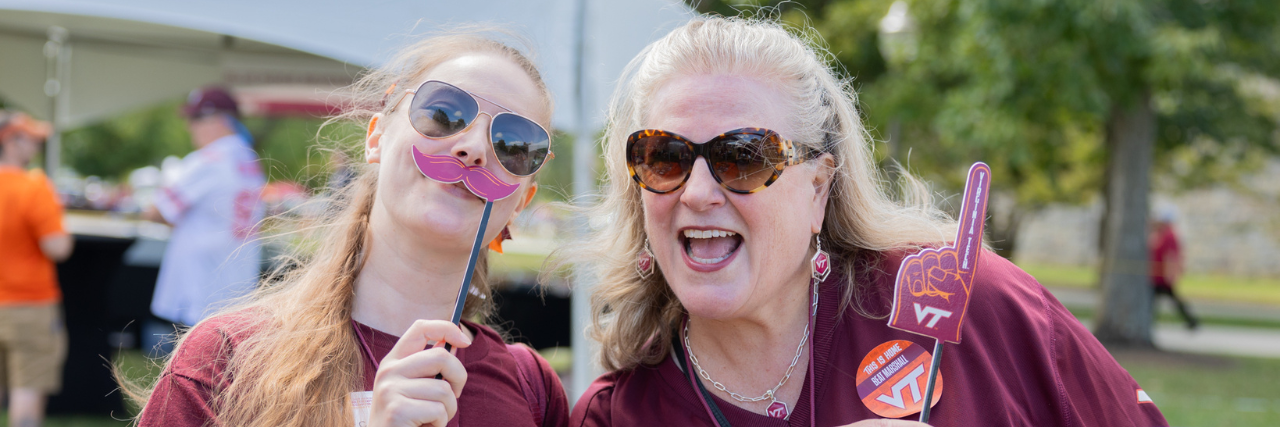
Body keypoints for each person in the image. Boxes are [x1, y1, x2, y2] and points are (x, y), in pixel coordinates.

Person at [558, 17, 1168, 426]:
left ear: (820, 187)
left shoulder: (971, 304)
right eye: (663, 157)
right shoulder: (616, 415)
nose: (696, 191)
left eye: (742, 157)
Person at [125, 31, 567, 427]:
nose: (472, 148)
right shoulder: (226, 359)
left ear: (521, 202)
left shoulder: (533, 390)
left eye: (515, 143)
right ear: (376, 137)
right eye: (445, 113)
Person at [140, 86, 266, 356]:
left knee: (193, 376)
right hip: (236, 282)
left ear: (218, 119)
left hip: (202, 285)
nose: (189, 127)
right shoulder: (249, 158)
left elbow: (155, 210)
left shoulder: (207, 160)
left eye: (195, 119)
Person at [0, 110, 72, 427]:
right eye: (30, 139)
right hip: (28, 304)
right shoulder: (34, 187)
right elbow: (58, 247)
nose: (36, 147)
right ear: (10, 141)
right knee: (26, 390)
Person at [1149, 209, 1197, 329]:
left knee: (1169, 299)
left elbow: (1170, 257)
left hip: (1161, 276)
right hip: (1157, 275)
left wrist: (1169, 274)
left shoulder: (1169, 235)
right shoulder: (1162, 234)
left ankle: (1192, 320)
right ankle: (1191, 320)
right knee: (1170, 299)